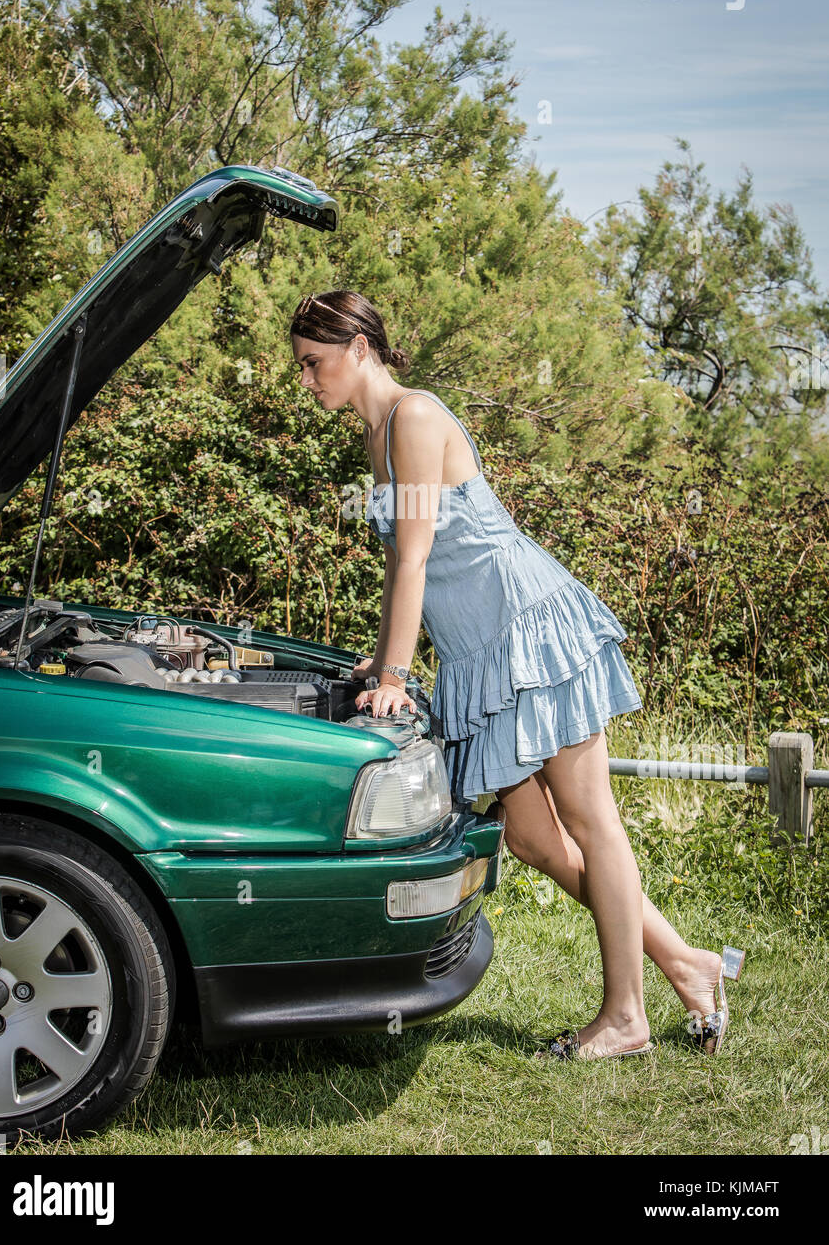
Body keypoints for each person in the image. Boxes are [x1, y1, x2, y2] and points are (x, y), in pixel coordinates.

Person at [289, 289, 745, 1062]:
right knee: (533, 838)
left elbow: (420, 554)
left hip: (529, 632)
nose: (305, 381)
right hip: (480, 655)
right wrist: (382, 656)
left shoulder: (417, 416)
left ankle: (625, 1018)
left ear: (359, 348)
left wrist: (398, 673)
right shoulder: (376, 435)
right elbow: (405, 566)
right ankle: (685, 960)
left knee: (592, 819)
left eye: (313, 363)